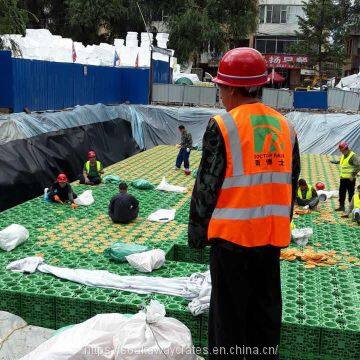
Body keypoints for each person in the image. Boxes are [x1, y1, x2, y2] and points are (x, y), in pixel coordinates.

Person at [188, 48, 301, 359]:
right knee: (264, 320)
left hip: (232, 244)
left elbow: (206, 188)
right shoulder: (285, 126)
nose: (221, 95)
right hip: (270, 241)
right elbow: (290, 185)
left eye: (221, 87)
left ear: (233, 88)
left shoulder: (223, 125)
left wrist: (197, 237)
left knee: (228, 326)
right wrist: (281, 226)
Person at [332, 142, 360, 211]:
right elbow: (343, 162)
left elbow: (358, 165)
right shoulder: (344, 155)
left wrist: (353, 175)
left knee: (350, 194)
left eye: (342, 150)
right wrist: (336, 162)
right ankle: (341, 206)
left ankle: (352, 208)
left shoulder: (353, 156)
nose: (341, 152)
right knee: (341, 193)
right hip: (343, 178)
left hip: (350, 179)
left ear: (346, 149)